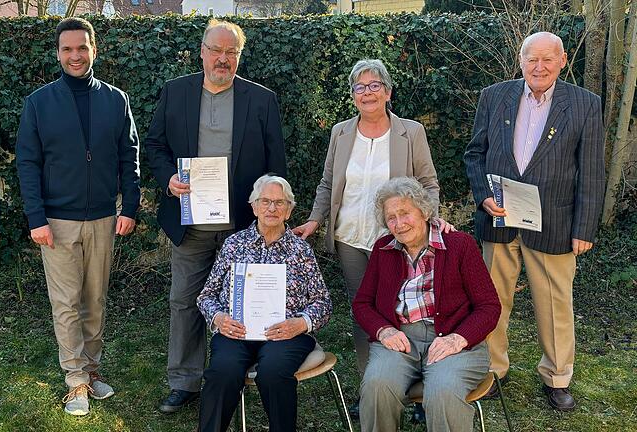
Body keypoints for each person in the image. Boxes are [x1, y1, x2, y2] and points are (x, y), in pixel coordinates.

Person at [293, 58, 450, 417]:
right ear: (352, 95)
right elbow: (328, 183)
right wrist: (315, 220)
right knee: (365, 314)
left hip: (399, 240)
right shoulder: (341, 133)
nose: (367, 92)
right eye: (360, 87)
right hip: (351, 238)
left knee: (410, 311)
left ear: (388, 91)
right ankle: (372, 389)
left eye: (374, 85)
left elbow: (428, 183)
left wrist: (431, 223)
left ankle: (419, 390)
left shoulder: (410, 132)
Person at [144, 19, 286, 413]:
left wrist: (271, 215)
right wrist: (168, 177)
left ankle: (236, 374)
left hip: (243, 225)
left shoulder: (261, 100)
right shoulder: (176, 93)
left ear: (239, 56)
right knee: (184, 301)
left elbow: (276, 164)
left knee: (243, 303)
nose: (223, 59)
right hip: (191, 223)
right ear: (202, 51)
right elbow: (154, 144)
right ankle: (184, 382)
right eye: (217, 50)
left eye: (231, 52)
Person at [463, 31, 605, 411]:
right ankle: (491, 370)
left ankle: (557, 377)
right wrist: (483, 196)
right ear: (521, 61)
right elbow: (475, 153)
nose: (538, 67)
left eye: (547, 59)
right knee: (490, 299)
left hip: (556, 223)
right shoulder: (494, 96)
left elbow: (592, 171)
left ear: (562, 62)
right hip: (500, 219)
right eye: (531, 59)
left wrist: (584, 227)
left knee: (555, 303)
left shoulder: (585, 104)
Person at [16, 17, 140, 416]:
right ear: (58, 53)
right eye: (67, 49)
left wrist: (131, 206)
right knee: (66, 303)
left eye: (82, 48)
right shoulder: (39, 102)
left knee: (95, 300)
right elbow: (28, 163)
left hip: (104, 217)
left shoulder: (115, 99)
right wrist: (36, 216)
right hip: (56, 222)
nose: (75, 55)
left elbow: (129, 156)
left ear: (93, 50)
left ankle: (91, 371)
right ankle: (75, 382)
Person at [352, 177, 500, 432]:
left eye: (405, 213)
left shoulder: (459, 245)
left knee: (443, 391)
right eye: (391, 217)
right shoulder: (383, 250)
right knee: (376, 386)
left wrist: (457, 339)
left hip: (453, 340)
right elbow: (363, 303)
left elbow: (489, 306)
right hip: (401, 339)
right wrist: (384, 331)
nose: (398, 223)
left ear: (424, 211)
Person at [196, 175, 331, 432]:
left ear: (289, 209)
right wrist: (219, 319)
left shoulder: (300, 251)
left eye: (280, 202)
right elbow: (206, 295)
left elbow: (323, 302)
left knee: (273, 373)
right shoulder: (234, 245)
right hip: (237, 332)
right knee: (222, 372)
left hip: (286, 335)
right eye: (265, 201)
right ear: (254, 206)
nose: (272, 208)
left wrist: (301, 323)